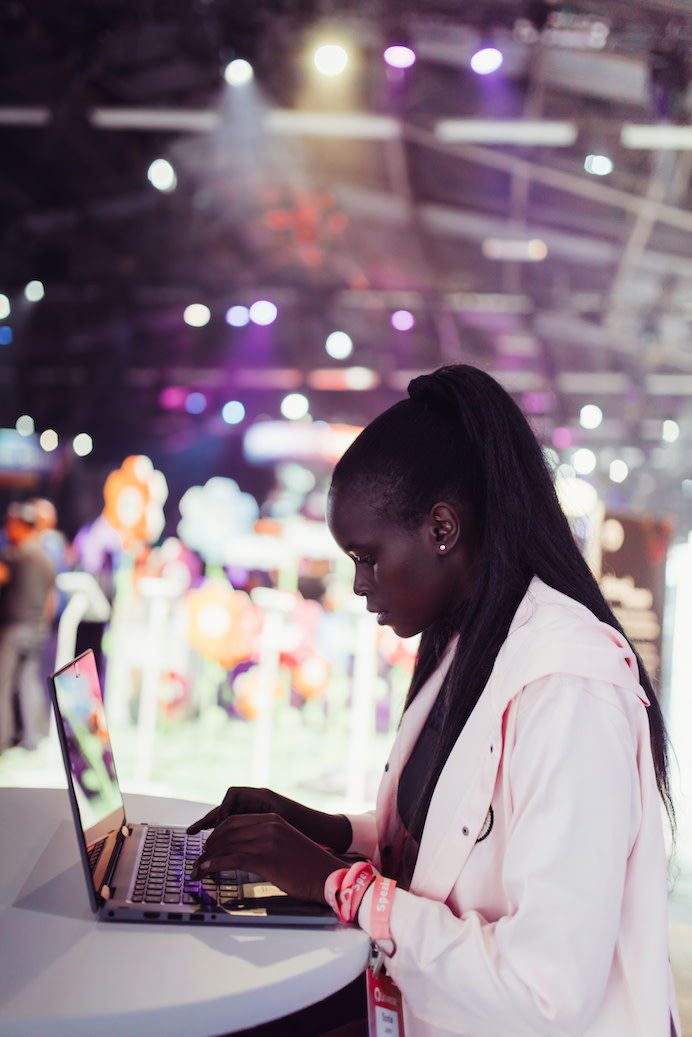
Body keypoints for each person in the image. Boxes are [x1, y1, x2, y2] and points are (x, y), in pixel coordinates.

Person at [188, 364, 680, 1037]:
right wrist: (325, 832)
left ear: (441, 528)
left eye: (366, 556)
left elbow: (544, 994)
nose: (360, 585)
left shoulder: (572, 688)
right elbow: (450, 848)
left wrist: (339, 884)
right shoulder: (470, 641)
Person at [0, 500, 56, 754]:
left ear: (22, 526)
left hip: (13, 630)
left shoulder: (15, 555)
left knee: (3, 684)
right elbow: (51, 602)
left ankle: (2, 738)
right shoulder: (46, 559)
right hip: (37, 629)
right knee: (27, 682)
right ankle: (33, 737)